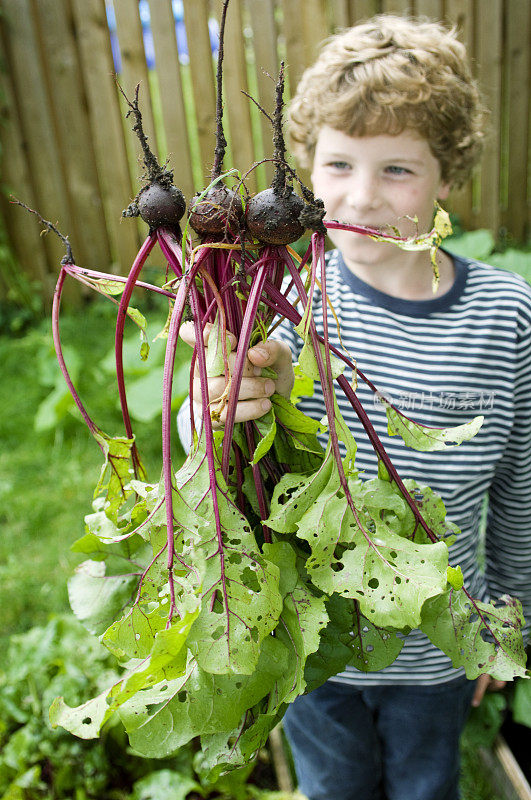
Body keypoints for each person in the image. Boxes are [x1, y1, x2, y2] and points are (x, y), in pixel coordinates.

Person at [179, 15, 531, 800]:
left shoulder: (507, 317)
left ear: (448, 175)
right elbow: (214, 441)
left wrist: (508, 616)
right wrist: (209, 409)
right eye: (337, 164)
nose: (360, 197)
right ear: (306, 169)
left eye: (397, 170)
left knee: (423, 783)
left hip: (437, 647)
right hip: (309, 633)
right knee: (334, 786)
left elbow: (520, 487)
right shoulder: (280, 301)